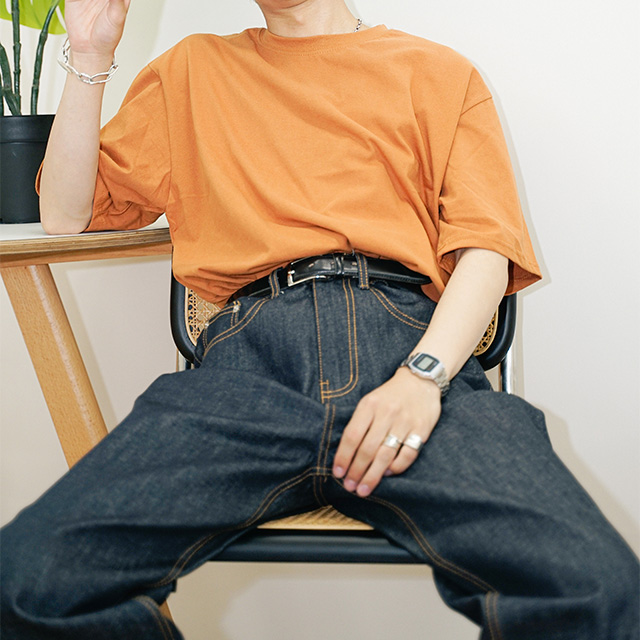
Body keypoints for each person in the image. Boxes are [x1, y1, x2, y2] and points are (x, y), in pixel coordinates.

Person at [1, 0, 638, 638]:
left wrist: (422, 377)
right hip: (244, 375)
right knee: (27, 580)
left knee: (599, 587)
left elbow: (486, 255)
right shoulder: (190, 71)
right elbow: (64, 214)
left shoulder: (439, 73)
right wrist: (90, 54)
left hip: (410, 357)